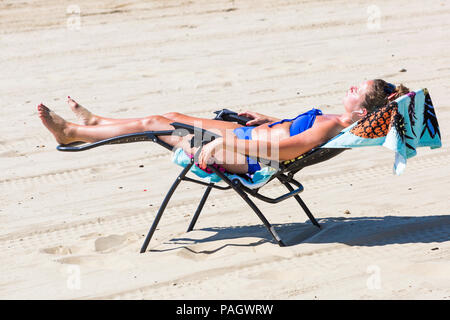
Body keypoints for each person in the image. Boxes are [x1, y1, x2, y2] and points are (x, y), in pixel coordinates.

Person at [38, 79, 409, 174]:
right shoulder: (335, 119)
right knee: (170, 114)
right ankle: (99, 122)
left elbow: (285, 151)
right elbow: (287, 133)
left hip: (241, 153)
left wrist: (222, 146)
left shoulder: (330, 129)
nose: (352, 88)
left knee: (156, 123)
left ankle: (71, 133)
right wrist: (268, 119)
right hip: (244, 136)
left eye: (358, 90)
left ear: (363, 112)